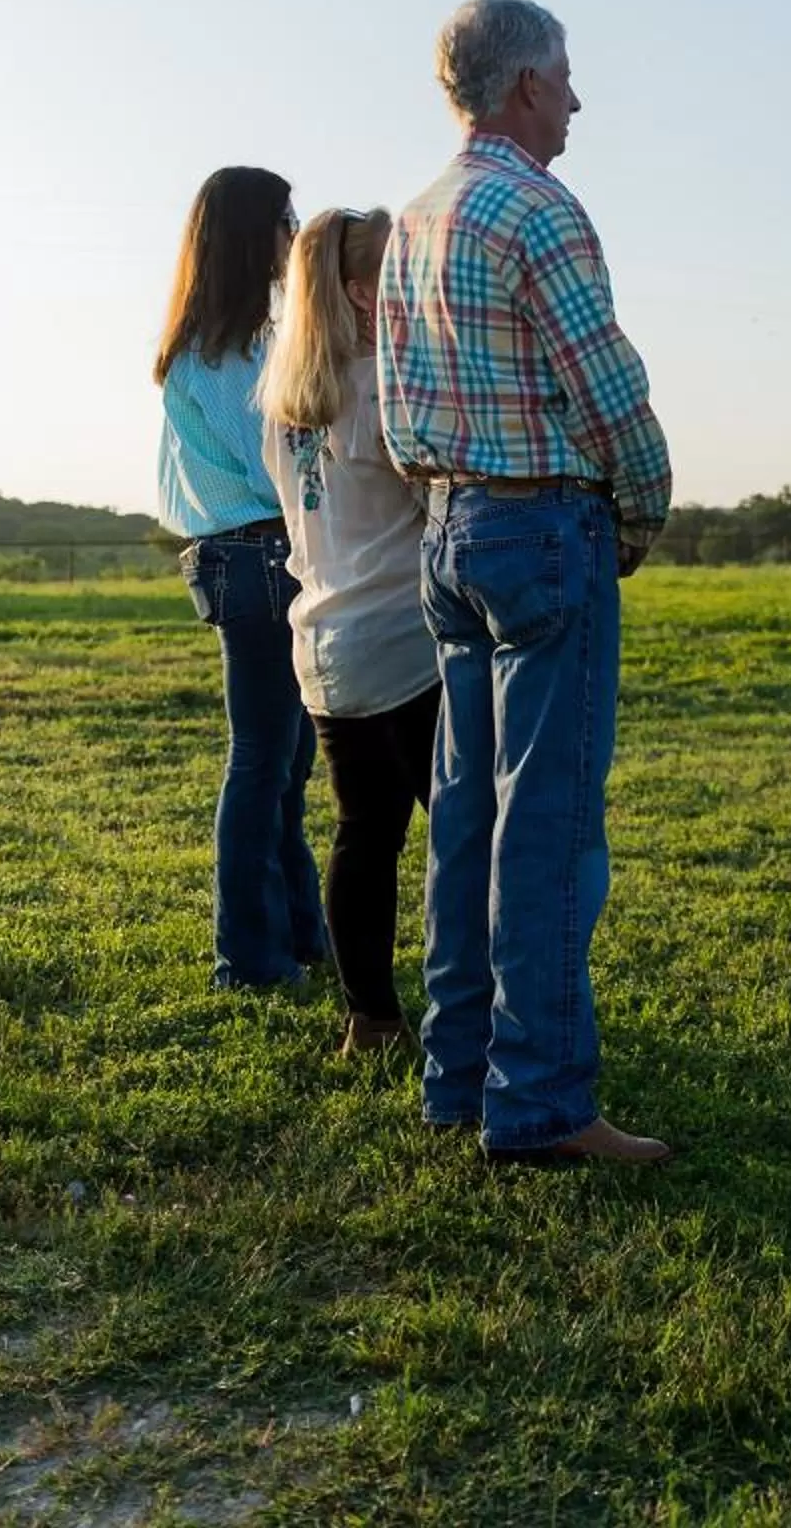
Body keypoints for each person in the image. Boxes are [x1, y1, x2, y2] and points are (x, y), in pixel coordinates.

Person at [378, 0, 676, 1167]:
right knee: (546, 824)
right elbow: (612, 395)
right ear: (520, 88)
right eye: (564, 76)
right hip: (547, 522)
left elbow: (397, 410)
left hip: (446, 526)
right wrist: (638, 515)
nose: (576, 97)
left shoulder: (412, 219)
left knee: (464, 817)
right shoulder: (540, 210)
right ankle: (543, 1102)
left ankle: (458, 1077)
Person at [260, 207, 440, 1058]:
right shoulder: (387, 389)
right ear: (366, 292)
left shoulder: (286, 405)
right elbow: (439, 507)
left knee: (365, 833)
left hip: (325, 644)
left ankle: (370, 1018)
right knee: (464, 828)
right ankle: (481, 1005)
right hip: (406, 639)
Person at [154, 165, 325, 990]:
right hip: (262, 557)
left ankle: (298, 937)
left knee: (285, 764)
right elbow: (273, 468)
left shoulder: (208, 346)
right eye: (285, 221)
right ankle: (248, 960)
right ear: (252, 232)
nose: (294, 238)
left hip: (245, 560)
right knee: (263, 759)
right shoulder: (230, 352)